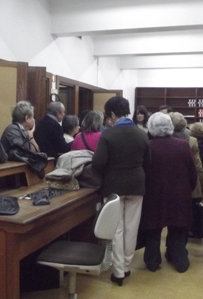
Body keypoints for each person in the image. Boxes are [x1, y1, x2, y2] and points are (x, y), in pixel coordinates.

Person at [92, 96, 151, 286]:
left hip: (114, 186)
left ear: (111, 115)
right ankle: (126, 266)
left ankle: (118, 272)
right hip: (137, 185)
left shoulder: (108, 135)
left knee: (117, 229)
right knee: (132, 228)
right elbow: (148, 162)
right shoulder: (142, 134)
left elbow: (98, 163)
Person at [140, 112, 197, 273]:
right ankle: (179, 260)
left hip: (153, 194)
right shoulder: (183, 145)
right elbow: (193, 174)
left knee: (153, 228)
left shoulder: (148, 146)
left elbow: (143, 171)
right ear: (170, 127)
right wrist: (188, 189)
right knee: (178, 229)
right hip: (179, 194)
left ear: (150, 128)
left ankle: (152, 261)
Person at [169, 112, 203, 240]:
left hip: (169, 185)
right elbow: (198, 167)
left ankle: (171, 245)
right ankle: (180, 244)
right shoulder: (192, 141)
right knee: (185, 217)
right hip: (189, 185)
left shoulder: (163, 140)